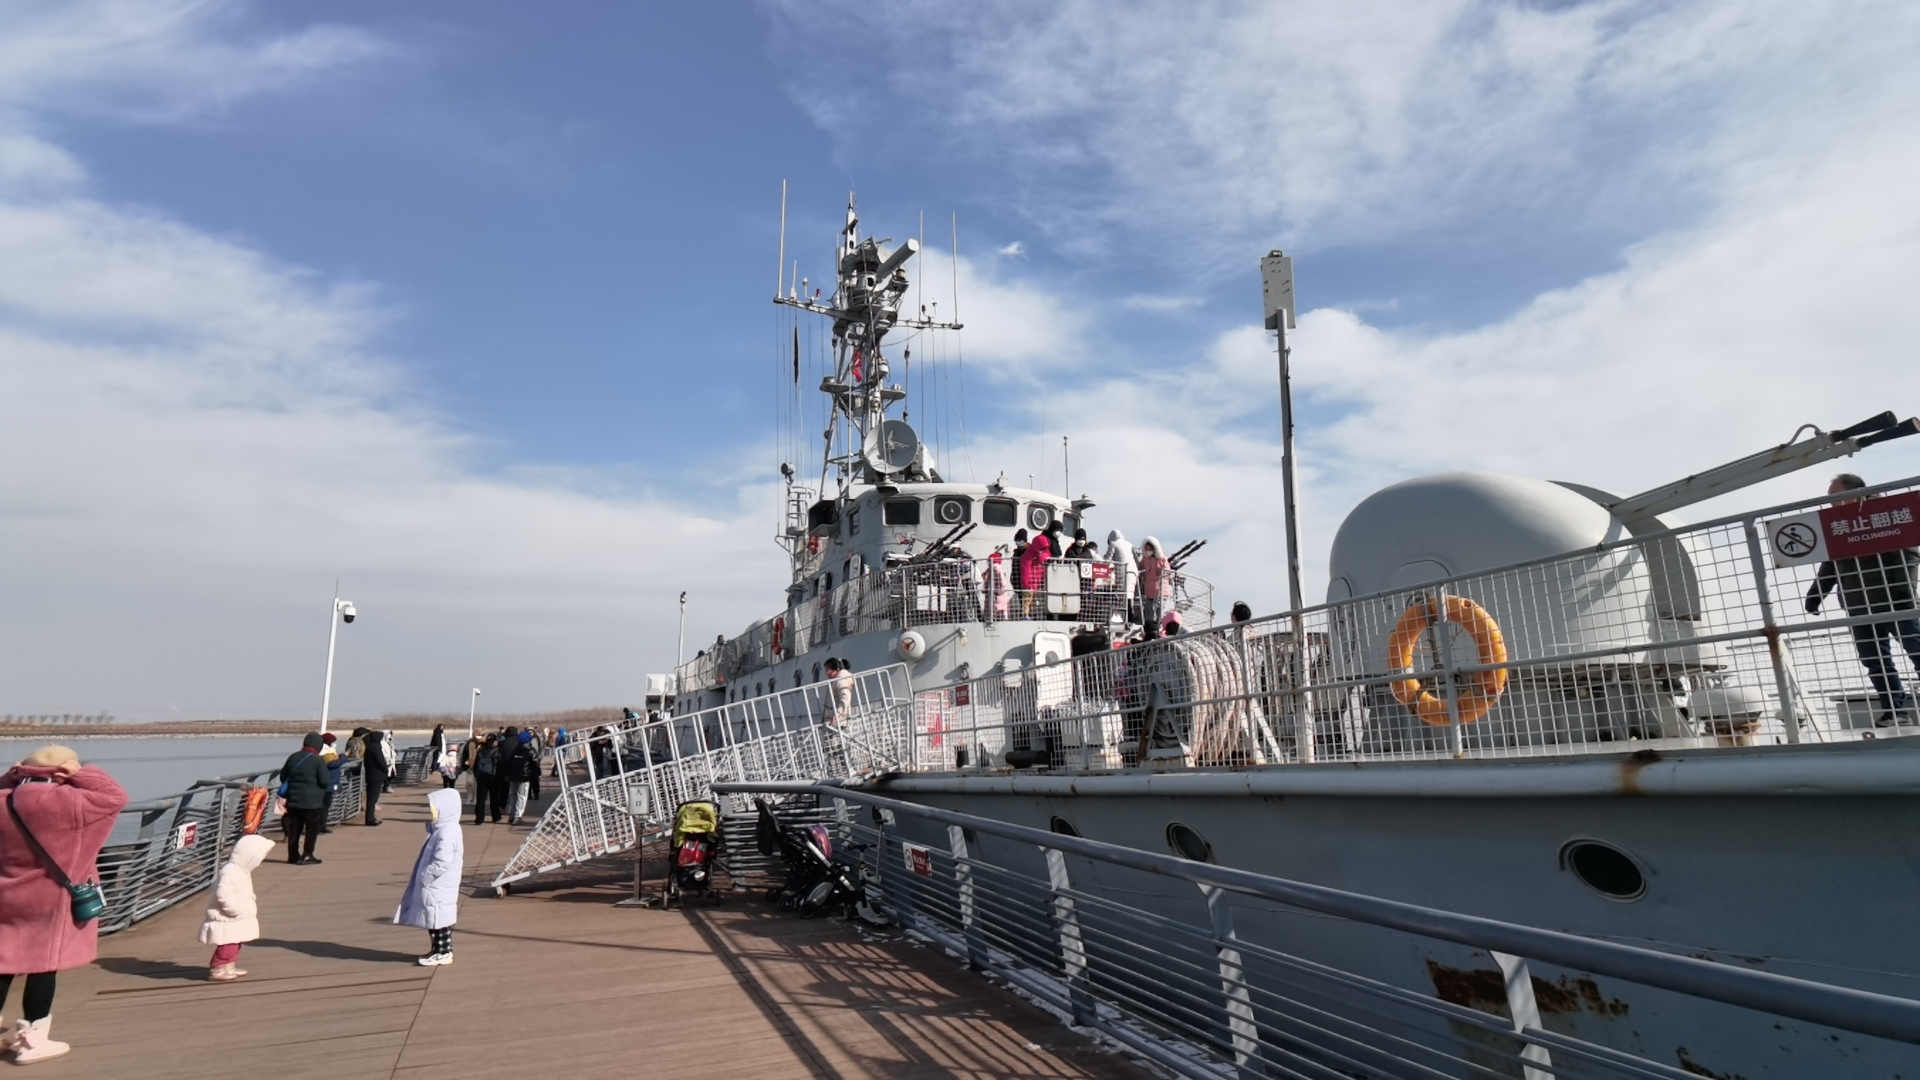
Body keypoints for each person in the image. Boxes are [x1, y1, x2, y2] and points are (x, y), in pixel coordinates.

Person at [0, 746, 127, 1064]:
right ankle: (32, 1040)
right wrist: (82, 772)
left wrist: (12, 776)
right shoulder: (76, 802)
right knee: (44, 965)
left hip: (7, 895)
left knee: (3, 964)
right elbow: (115, 796)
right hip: (53, 898)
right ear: (63, 770)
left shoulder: (5, 800)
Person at [1807, 473, 1920, 725]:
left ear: (1855, 492)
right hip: (1860, 607)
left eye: (1835, 497)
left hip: (1897, 604)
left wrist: (1904, 593)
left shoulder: (1886, 513)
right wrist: (1815, 597)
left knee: (1918, 652)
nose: (1831, 504)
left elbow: (1909, 553)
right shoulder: (1839, 527)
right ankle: (1895, 712)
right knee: (1876, 662)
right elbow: (1831, 565)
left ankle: (1897, 711)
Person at [395, 788, 465, 967]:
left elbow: (442, 861)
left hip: (438, 884)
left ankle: (442, 951)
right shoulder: (446, 829)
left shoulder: (446, 832)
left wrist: (426, 876)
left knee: (437, 919)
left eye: (434, 808)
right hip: (440, 885)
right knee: (437, 918)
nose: (432, 812)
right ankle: (440, 949)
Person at [199, 834, 274, 982]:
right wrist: (235, 910)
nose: (259, 862)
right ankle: (218, 968)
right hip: (228, 917)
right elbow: (222, 894)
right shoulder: (231, 871)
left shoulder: (240, 871)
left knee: (235, 942)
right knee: (228, 944)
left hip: (235, 918)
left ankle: (229, 966)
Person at [275, 733, 330, 865]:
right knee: (311, 830)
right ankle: (307, 854)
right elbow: (324, 781)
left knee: (295, 829)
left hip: (294, 800)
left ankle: (293, 856)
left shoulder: (293, 757)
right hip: (312, 802)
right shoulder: (317, 760)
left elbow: (283, 777)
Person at [505, 731, 539, 825]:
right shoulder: (530, 750)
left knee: (512, 795)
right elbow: (535, 763)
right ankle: (517, 816)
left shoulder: (515, 750)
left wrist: (508, 774)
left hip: (513, 776)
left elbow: (509, 763)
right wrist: (536, 774)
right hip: (524, 777)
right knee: (522, 796)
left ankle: (511, 815)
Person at [1138, 537, 1172, 632]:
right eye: (1146, 549)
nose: (1148, 551)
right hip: (1149, 590)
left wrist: (1162, 572)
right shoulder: (1145, 559)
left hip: (1161, 590)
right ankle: (1149, 628)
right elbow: (1139, 566)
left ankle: (1159, 628)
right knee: (1149, 609)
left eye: (1149, 549)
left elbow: (1168, 571)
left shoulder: (1162, 558)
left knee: (1159, 609)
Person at [1106, 530, 1139, 621]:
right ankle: (1130, 616)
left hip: (1123, 571)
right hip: (1134, 572)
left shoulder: (1113, 544)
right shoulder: (1129, 544)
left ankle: (1127, 617)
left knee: (1123, 595)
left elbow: (1107, 560)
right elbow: (1136, 559)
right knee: (1130, 594)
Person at [471, 735, 503, 825]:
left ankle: (479, 818)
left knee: (480, 798)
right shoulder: (497, 751)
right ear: (494, 742)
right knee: (494, 798)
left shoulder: (481, 751)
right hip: (493, 777)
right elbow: (500, 765)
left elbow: (476, 764)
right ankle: (496, 817)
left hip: (481, 776)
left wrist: (476, 774)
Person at [1019, 532, 1053, 618]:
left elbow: (1048, 553)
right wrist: (1025, 583)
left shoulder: (1041, 550)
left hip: (1038, 582)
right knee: (1027, 601)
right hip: (1030, 584)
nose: (1042, 550)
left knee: (1035, 601)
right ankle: (1026, 615)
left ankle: (1033, 615)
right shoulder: (1028, 554)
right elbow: (1025, 568)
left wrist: (1044, 556)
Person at [361, 727, 389, 826]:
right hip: (376, 775)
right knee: (372, 798)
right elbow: (381, 761)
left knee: (371, 798)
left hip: (371, 775)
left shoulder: (370, 746)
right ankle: (370, 818)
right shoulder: (375, 747)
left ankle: (370, 817)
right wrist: (386, 769)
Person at [318, 733, 343, 834]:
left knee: (326, 806)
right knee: (322, 807)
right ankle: (319, 827)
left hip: (330, 781)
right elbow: (332, 764)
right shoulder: (325, 752)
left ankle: (322, 826)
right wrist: (343, 759)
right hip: (327, 782)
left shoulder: (329, 751)